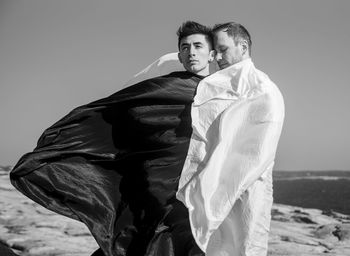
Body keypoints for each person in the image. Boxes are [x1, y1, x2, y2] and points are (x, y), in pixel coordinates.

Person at [10, 21, 214, 256]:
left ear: (211, 54)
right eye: (185, 47)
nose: (192, 52)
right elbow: (117, 110)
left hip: (195, 184)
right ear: (179, 55)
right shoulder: (165, 85)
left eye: (198, 46)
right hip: (157, 178)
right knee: (145, 237)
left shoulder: (223, 92)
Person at [175, 22, 285, 255]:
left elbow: (257, 151)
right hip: (215, 185)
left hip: (246, 186)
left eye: (223, 50)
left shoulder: (263, 88)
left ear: (243, 46)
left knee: (245, 245)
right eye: (216, 51)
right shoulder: (220, 84)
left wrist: (217, 189)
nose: (217, 57)